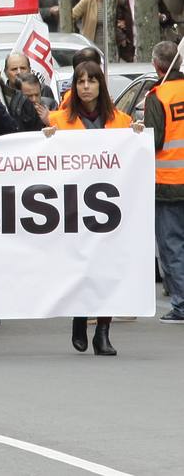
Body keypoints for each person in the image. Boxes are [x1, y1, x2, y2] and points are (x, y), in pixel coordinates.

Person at [45, 60, 141, 355]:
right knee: (79, 266)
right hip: (73, 207)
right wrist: (46, 138)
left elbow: (133, 156)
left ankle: (103, 331)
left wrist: (139, 136)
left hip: (110, 208)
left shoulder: (122, 121)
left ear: (101, 85)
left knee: (108, 268)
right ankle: (78, 316)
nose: (86, 87)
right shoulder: (58, 120)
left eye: (92, 81)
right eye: (80, 81)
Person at [145, 41, 184, 325]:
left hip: (169, 183)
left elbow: (153, 141)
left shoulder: (158, 96)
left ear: (157, 66)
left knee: (172, 246)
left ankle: (182, 305)